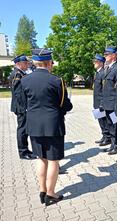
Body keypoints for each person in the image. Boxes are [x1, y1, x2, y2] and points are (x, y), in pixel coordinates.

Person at [21, 49, 73, 206]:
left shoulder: (25, 80)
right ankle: (51, 194)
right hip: (52, 126)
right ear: (49, 63)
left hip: (34, 125)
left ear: (36, 63)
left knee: (41, 159)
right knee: (53, 161)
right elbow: (65, 105)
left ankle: (42, 190)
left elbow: (23, 104)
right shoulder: (57, 81)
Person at [9, 54, 36, 160]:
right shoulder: (17, 74)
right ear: (18, 64)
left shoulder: (20, 73)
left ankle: (26, 149)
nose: (27, 64)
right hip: (21, 106)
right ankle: (23, 152)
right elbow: (18, 93)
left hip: (22, 106)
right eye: (25, 63)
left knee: (24, 129)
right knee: (22, 129)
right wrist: (24, 107)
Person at [102, 46, 117, 154]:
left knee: (115, 125)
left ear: (113, 55)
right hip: (107, 104)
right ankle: (113, 144)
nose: (105, 56)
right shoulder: (108, 68)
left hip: (113, 104)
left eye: (107, 54)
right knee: (110, 125)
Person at [93, 54, 111, 146]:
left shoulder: (103, 73)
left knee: (104, 121)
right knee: (100, 120)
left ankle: (108, 137)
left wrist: (101, 103)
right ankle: (104, 136)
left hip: (101, 102)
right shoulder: (97, 73)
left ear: (101, 63)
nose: (94, 63)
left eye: (95, 62)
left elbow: (104, 90)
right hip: (96, 102)